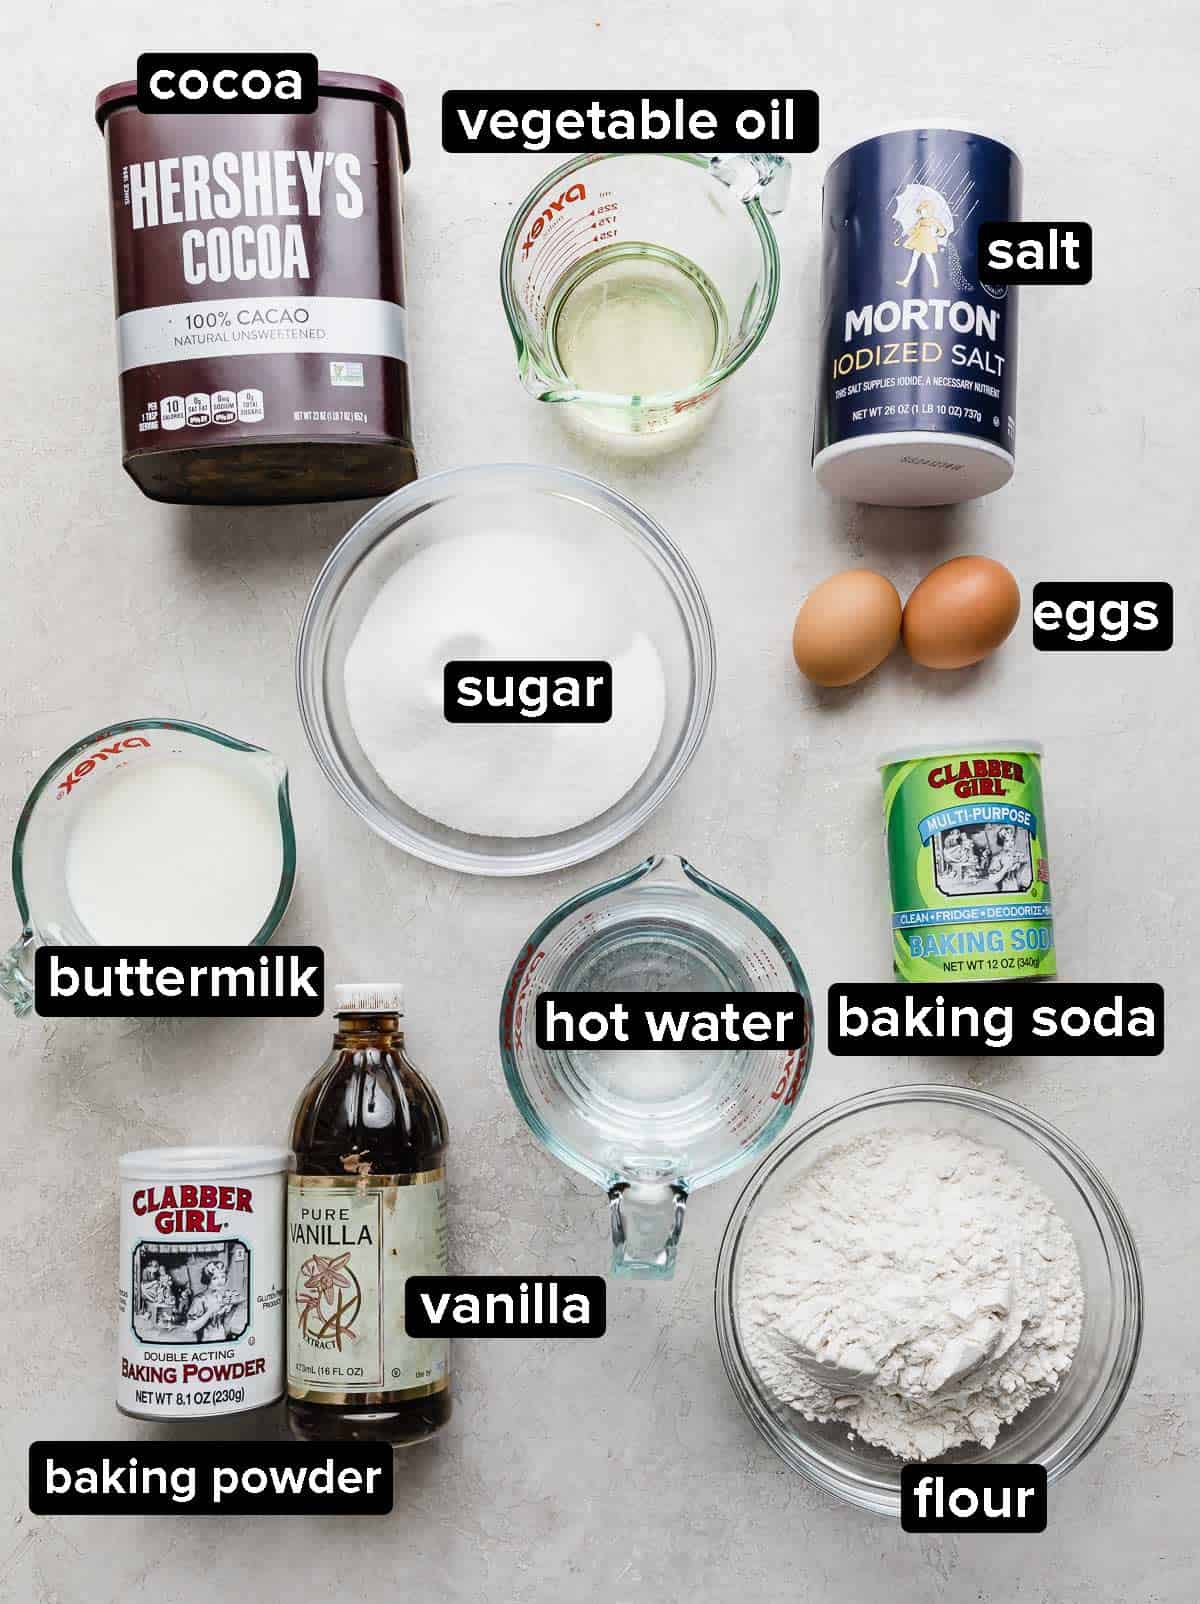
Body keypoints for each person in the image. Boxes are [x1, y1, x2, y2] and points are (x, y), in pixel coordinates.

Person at [896, 199, 948, 288]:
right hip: (919, 241)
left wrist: (935, 233)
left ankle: (936, 279)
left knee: (930, 260)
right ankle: (906, 280)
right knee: (914, 260)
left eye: (924, 210)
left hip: (928, 242)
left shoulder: (934, 220)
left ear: (929, 210)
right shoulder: (920, 220)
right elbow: (913, 229)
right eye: (921, 211)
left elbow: (943, 231)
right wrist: (901, 237)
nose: (922, 213)